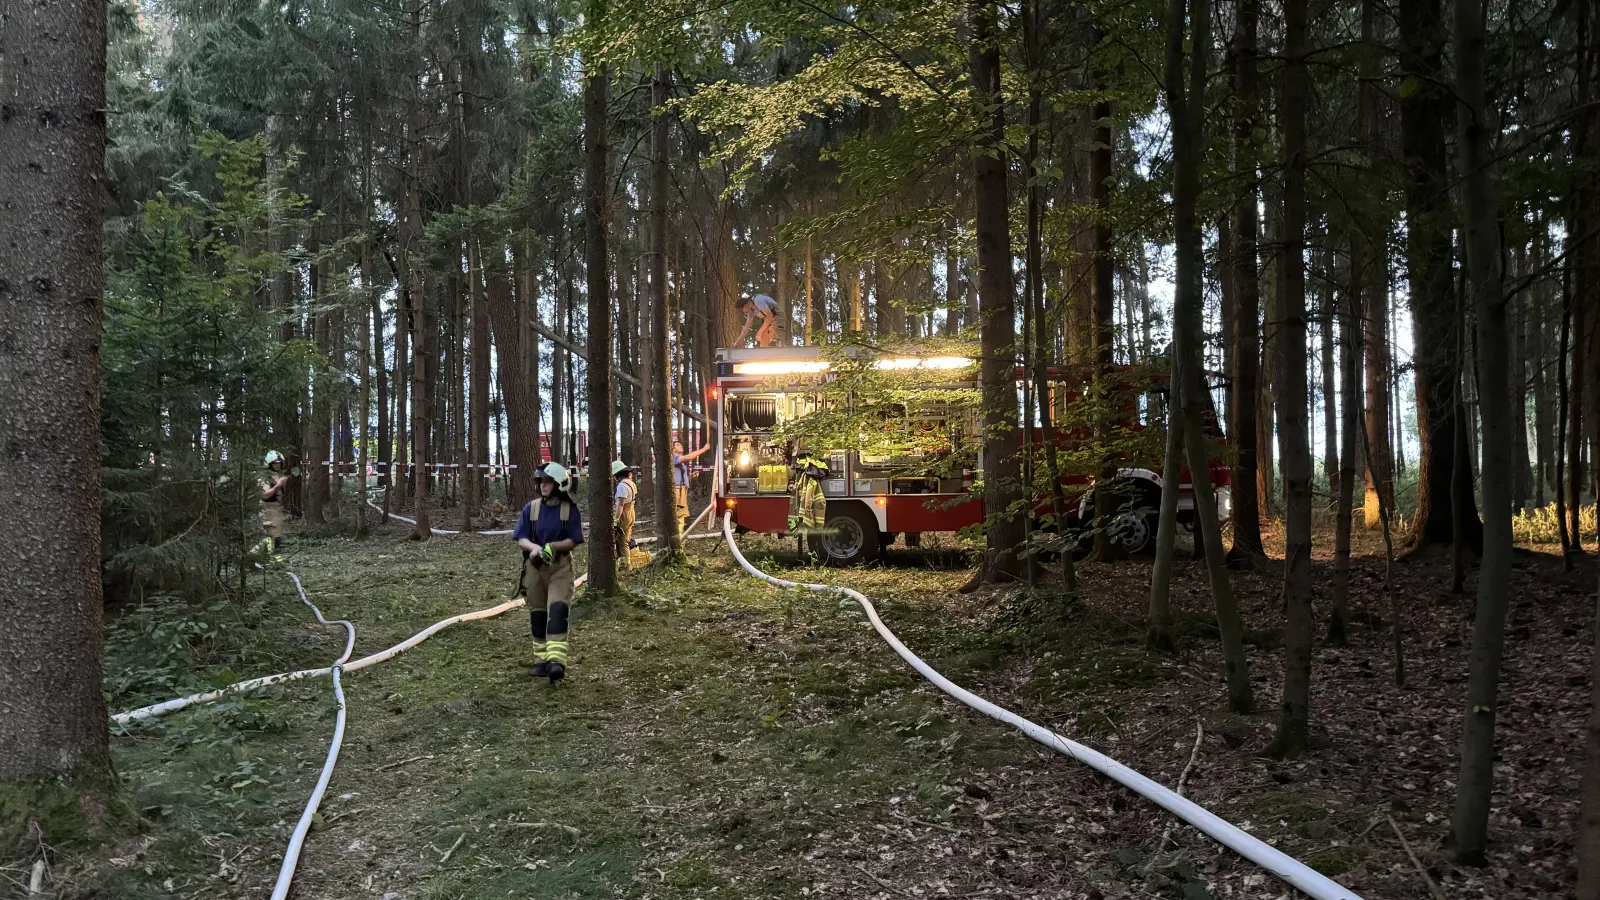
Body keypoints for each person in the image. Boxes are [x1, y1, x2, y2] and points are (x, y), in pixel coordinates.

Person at [512, 462, 584, 683]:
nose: (543, 485)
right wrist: (534, 549)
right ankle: (541, 660)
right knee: (538, 614)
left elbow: (574, 539)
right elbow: (521, 537)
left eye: (548, 482)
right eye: (541, 482)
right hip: (535, 569)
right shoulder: (531, 509)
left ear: (559, 484)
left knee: (557, 611)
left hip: (560, 569)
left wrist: (553, 547)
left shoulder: (569, 511)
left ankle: (556, 662)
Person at [671, 438, 711, 535]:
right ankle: (678, 541)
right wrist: (704, 449)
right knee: (680, 517)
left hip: (681, 490)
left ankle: (680, 539)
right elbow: (688, 457)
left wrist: (690, 477)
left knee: (682, 517)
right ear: (672, 450)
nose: (680, 445)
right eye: (677, 445)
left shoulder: (678, 461)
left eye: (680, 444)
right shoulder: (674, 458)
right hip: (677, 491)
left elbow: (677, 477)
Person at [611, 460, 640, 569]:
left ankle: (624, 566)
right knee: (625, 540)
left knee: (621, 541)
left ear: (617, 475)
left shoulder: (622, 486)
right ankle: (624, 564)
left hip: (624, 515)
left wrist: (616, 520)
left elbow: (620, 505)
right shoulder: (631, 484)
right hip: (631, 513)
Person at [261, 450, 290, 553]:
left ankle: (277, 555)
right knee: (269, 531)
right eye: (275, 463)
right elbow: (265, 494)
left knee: (278, 532)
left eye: (279, 462)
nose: (278, 465)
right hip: (268, 507)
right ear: (269, 464)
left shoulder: (278, 475)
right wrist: (278, 485)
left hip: (277, 507)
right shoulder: (265, 477)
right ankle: (268, 555)